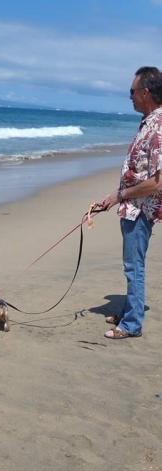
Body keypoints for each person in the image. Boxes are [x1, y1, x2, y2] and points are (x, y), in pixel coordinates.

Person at [93, 66, 162, 339]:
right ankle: (130, 311)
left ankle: (132, 324)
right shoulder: (148, 121)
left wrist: (119, 196)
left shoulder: (158, 127)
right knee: (132, 264)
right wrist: (113, 198)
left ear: (145, 92)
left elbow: (158, 182)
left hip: (140, 209)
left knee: (134, 266)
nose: (130, 97)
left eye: (132, 91)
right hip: (131, 206)